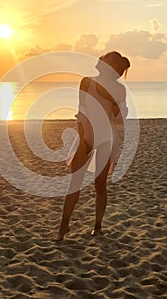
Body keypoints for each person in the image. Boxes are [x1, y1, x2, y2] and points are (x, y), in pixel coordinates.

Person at [55, 51, 130, 242]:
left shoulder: (119, 89)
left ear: (110, 65)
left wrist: (115, 104)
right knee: (75, 184)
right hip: (86, 138)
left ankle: (97, 226)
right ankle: (64, 225)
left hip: (106, 139)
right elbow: (81, 113)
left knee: (100, 185)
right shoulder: (86, 82)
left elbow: (120, 120)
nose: (99, 58)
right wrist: (84, 140)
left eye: (104, 58)